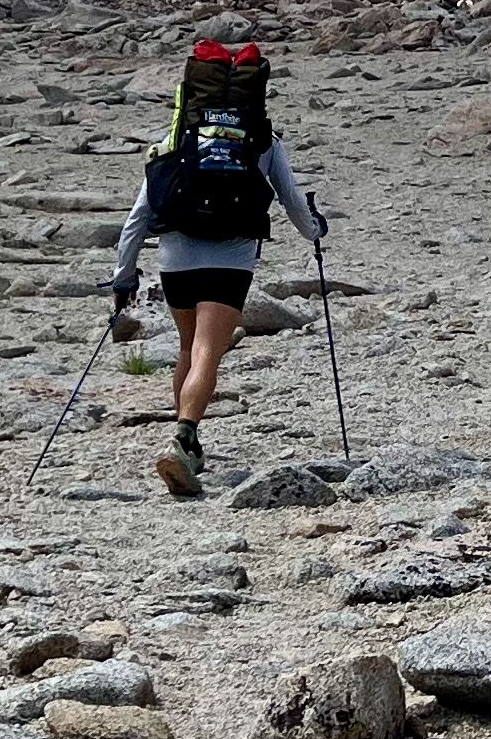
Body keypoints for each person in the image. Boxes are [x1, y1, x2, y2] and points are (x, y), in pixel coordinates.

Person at [105, 36, 328, 497]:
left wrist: (124, 277)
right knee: (209, 349)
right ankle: (184, 433)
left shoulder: (174, 140)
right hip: (231, 258)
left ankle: (189, 443)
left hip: (175, 258)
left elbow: (139, 216)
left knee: (189, 346)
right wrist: (316, 234)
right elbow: (292, 202)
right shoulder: (263, 140)